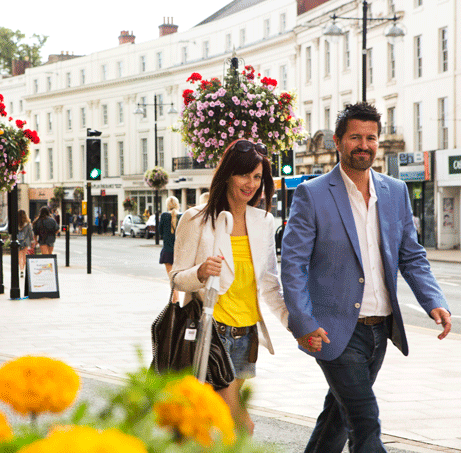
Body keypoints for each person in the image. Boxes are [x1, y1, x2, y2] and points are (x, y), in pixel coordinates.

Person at [281, 103, 452, 453]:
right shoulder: (311, 194)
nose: (364, 144)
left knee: (337, 419)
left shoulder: (395, 191)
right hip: (333, 328)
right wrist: (303, 322)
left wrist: (434, 301)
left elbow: (412, 255)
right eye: (355, 137)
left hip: (380, 328)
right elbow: (293, 265)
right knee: (365, 421)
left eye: (370, 137)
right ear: (338, 142)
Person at [171, 139, 304, 436]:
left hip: (247, 338)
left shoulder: (264, 222)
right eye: (245, 174)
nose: (251, 184)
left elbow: (269, 283)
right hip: (212, 334)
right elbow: (177, 277)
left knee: (213, 425)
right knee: (241, 425)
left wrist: (294, 323)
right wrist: (201, 272)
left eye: (258, 177)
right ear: (228, 174)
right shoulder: (196, 219)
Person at [159, 196, 182, 304]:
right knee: (178, 279)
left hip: (168, 252)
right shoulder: (182, 216)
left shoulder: (164, 216)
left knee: (172, 279)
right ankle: (175, 300)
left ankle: (175, 301)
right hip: (179, 253)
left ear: (167, 205)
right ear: (178, 204)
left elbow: (160, 232)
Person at [17, 210, 35, 278]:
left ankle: (21, 269)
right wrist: (32, 241)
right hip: (26, 241)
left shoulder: (16, 223)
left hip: (18, 241)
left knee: (19, 256)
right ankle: (23, 270)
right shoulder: (28, 224)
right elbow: (31, 233)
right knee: (24, 255)